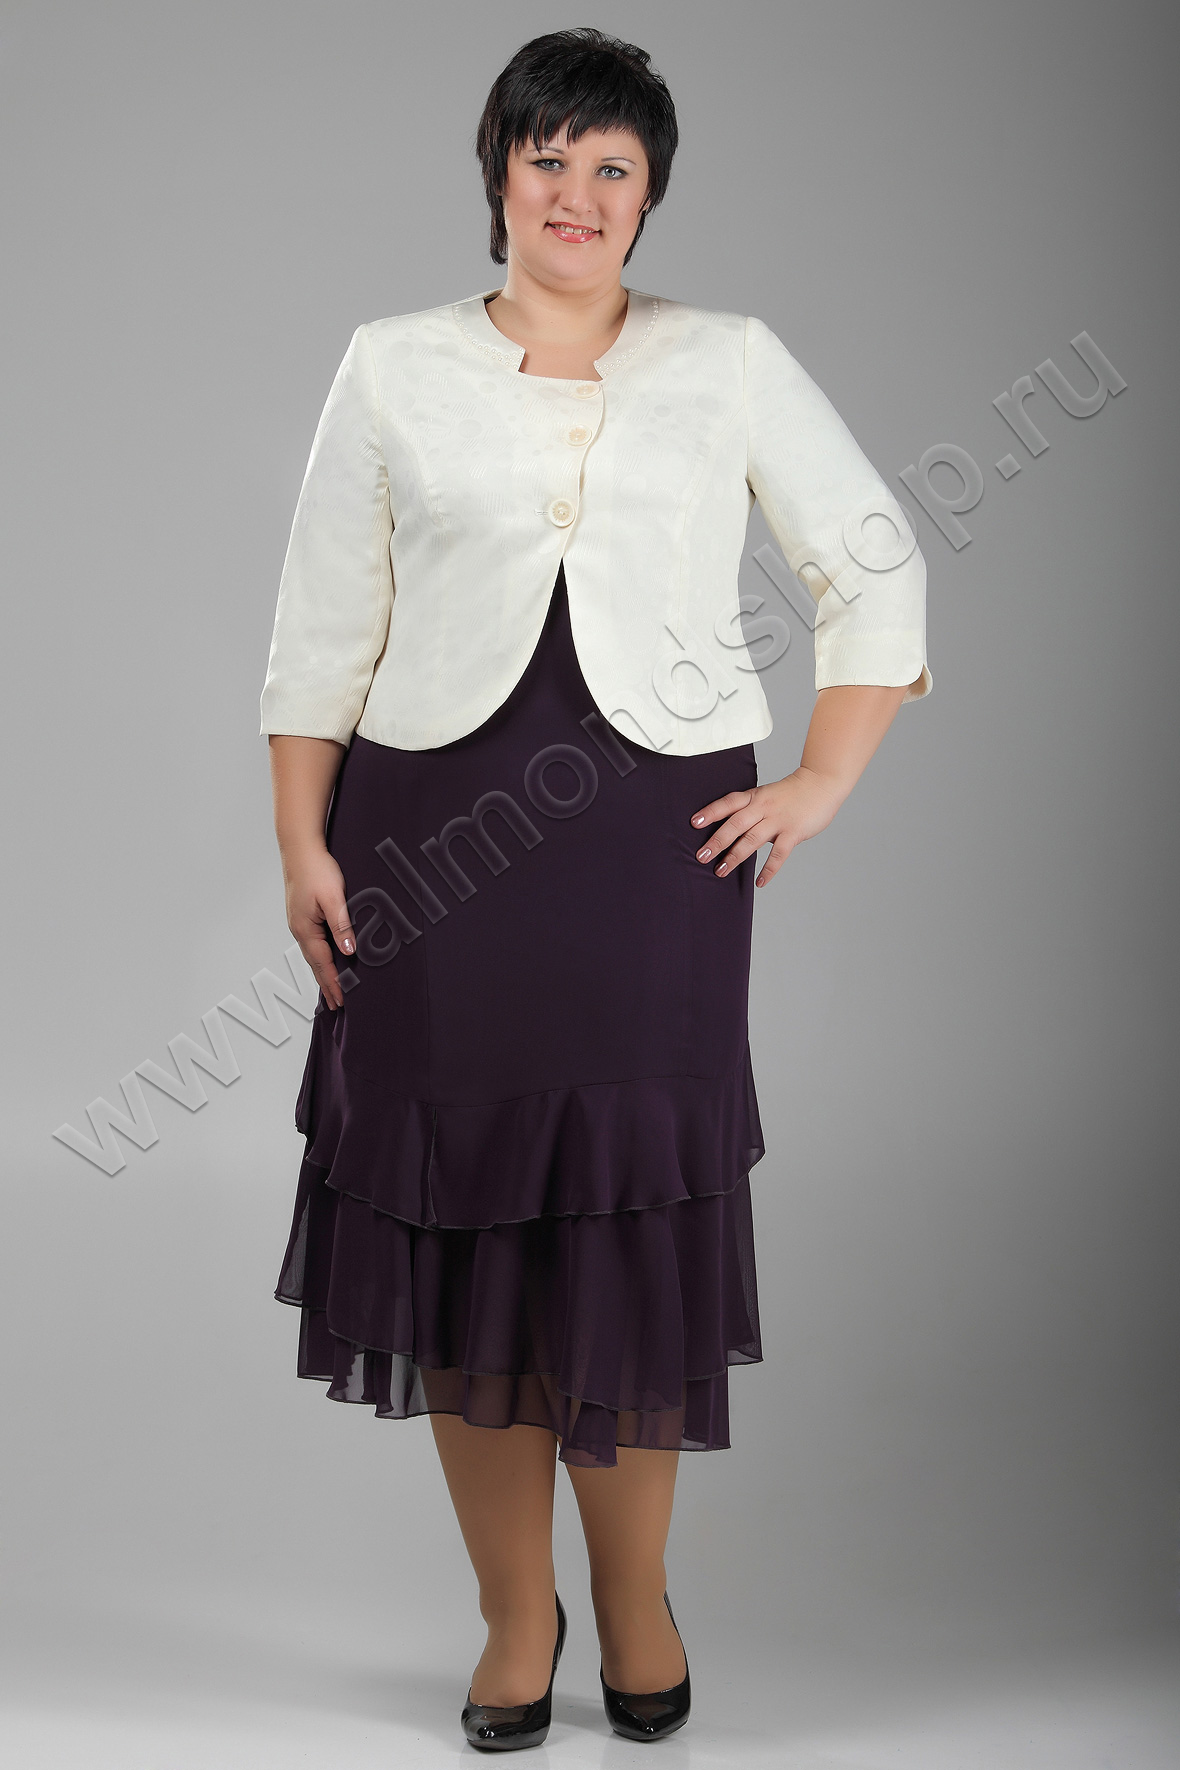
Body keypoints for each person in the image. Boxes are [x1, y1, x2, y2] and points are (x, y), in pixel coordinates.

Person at [259, 26, 930, 1752]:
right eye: (547, 159)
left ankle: (635, 1596)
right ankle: (515, 1610)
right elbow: (321, 628)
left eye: (612, 167)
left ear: (651, 196)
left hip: (656, 847)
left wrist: (823, 778)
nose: (577, 193)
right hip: (429, 842)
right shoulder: (390, 364)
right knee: (464, 1222)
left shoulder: (732, 360)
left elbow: (873, 561)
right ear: (498, 174)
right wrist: (301, 840)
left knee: (626, 1223)